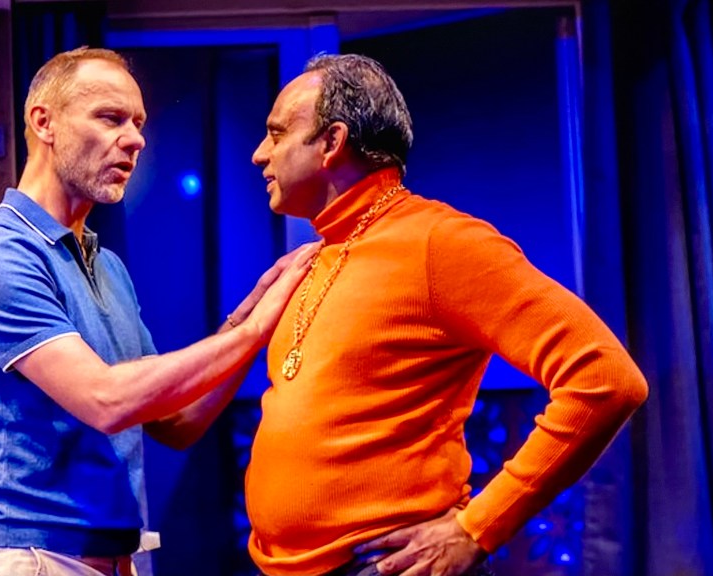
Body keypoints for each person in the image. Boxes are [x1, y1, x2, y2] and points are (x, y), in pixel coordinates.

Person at [245, 53, 649, 576]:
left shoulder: (441, 243)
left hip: (388, 564)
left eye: (277, 134)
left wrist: (478, 526)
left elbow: (606, 379)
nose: (260, 154)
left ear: (332, 141)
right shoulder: (314, 258)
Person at [0, 47, 315, 576]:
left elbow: (176, 421)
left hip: (119, 558)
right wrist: (252, 330)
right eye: (110, 118)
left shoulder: (107, 265)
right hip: (30, 559)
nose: (135, 139)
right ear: (44, 123)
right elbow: (106, 399)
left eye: (138, 123)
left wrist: (251, 317)